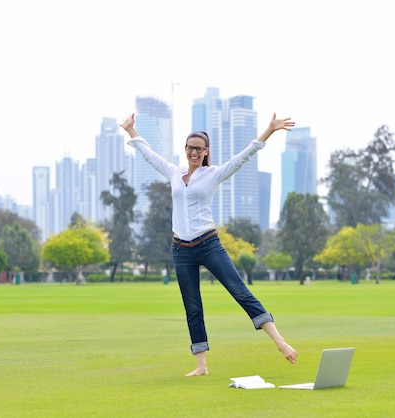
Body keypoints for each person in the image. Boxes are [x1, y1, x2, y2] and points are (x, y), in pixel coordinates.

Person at [120, 112, 298, 377]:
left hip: (208, 244)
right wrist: (131, 132)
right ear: (186, 149)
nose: (194, 152)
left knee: (239, 291)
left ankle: (280, 342)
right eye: (190, 148)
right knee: (192, 306)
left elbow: (244, 156)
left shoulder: (213, 174)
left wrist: (269, 131)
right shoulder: (173, 172)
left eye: (199, 149)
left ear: (206, 152)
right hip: (180, 249)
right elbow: (150, 155)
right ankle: (201, 366)